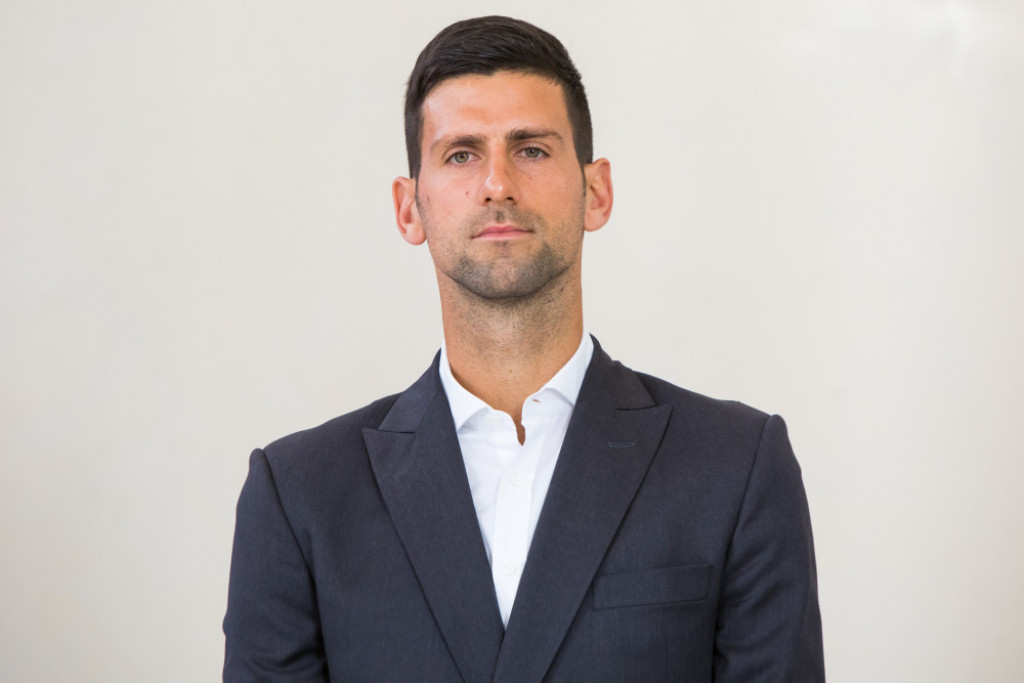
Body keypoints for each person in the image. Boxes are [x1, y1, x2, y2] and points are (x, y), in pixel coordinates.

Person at [223, 15, 824, 682]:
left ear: (596, 192)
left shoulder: (735, 468)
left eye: (532, 149)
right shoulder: (299, 496)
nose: (497, 183)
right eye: (461, 154)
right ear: (409, 208)